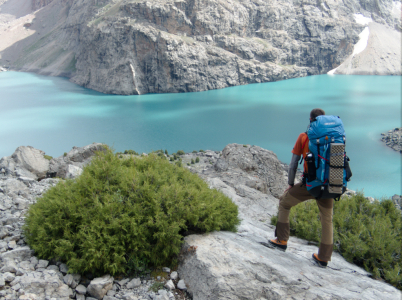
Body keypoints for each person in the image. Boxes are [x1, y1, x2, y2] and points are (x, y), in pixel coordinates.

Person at [268, 108, 333, 268]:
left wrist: (290, 184)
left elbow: (292, 165)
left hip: (310, 185)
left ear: (310, 120)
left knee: (284, 202)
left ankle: (282, 240)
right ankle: (323, 257)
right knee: (327, 218)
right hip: (329, 185)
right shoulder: (333, 137)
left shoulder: (304, 137)